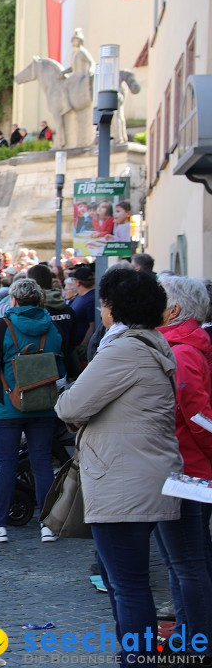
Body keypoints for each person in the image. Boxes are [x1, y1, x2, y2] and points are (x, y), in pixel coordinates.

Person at [54, 269, 180, 664]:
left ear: (113, 307)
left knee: (126, 585)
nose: (101, 309)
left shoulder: (124, 349)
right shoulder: (153, 342)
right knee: (129, 582)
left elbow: (69, 406)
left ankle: (136, 659)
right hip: (145, 475)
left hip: (122, 479)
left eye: (104, 303)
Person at [0, 279, 66, 544]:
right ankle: (48, 525)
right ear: (39, 301)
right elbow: (61, 367)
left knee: (6, 464)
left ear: (13, 300)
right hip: (44, 406)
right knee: (42, 463)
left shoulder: (3, 326)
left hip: (6, 407)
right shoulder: (53, 328)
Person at [154, 276, 212, 652]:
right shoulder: (184, 345)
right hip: (186, 469)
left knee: (186, 562)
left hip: (185, 472)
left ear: (173, 310)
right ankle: (191, 635)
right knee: (187, 561)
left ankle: (197, 643)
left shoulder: (182, 350)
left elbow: (197, 416)